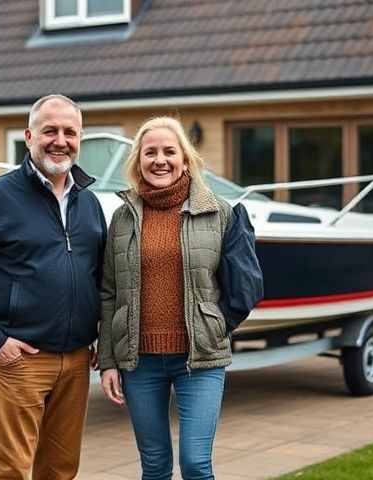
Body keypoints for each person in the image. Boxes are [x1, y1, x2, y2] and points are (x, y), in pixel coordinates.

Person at [0, 94, 106, 480]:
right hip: (19, 359)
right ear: (29, 136)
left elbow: (100, 278)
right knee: (10, 470)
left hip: (77, 360)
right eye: (50, 130)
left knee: (61, 469)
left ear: (79, 139)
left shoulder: (90, 203)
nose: (60, 140)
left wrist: (103, 337)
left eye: (70, 132)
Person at [98, 116, 263, 480]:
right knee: (154, 467)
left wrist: (215, 325)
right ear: (138, 161)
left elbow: (246, 286)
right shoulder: (122, 220)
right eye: (150, 152)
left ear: (185, 159)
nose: (160, 160)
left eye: (169, 151)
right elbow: (109, 293)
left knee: (196, 464)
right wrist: (108, 360)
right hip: (139, 362)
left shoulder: (220, 212)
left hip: (200, 360)